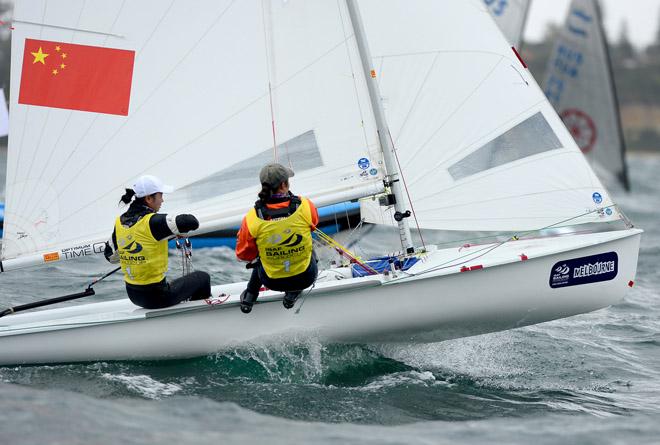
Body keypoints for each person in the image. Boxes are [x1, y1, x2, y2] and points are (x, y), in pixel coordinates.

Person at [104, 175, 211, 309]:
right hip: (157, 297)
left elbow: (110, 257)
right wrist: (171, 230)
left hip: (133, 295)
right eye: (160, 195)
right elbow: (191, 222)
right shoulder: (152, 222)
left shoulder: (120, 222)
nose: (162, 200)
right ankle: (198, 319)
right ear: (149, 198)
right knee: (202, 278)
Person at [236, 163, 319, 313]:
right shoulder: (306, 205)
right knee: (309, 243)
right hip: (306, 278)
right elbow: (313, 225)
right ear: (284, 184)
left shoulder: (251, 217)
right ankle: (293, 292)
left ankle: (250, 295)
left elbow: (244, 255)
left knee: (260, 257)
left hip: (271, 281)